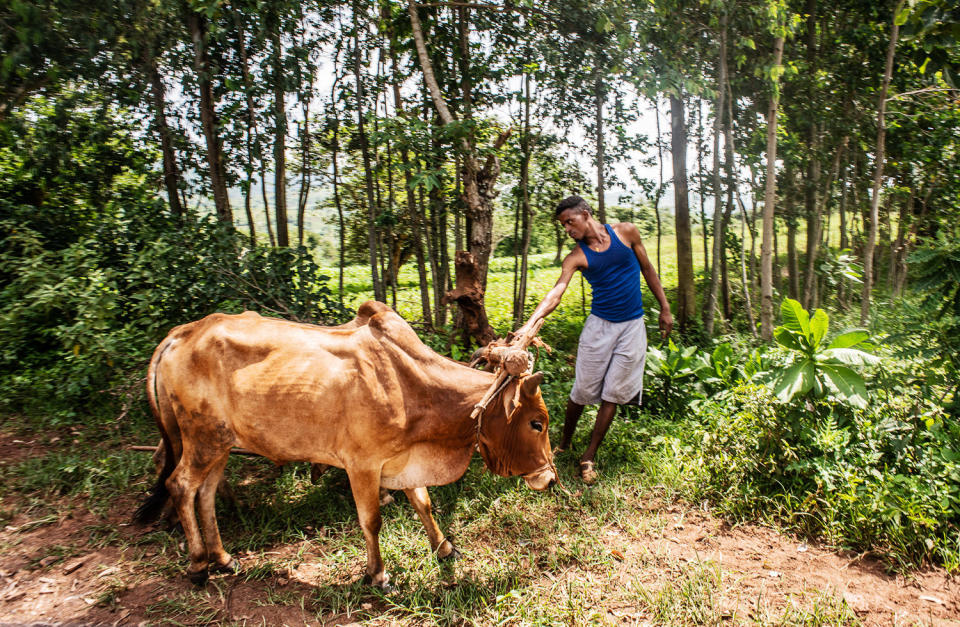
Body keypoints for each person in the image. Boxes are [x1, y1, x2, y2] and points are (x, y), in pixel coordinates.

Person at [515, 195, 672, 484]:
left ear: (586, 214)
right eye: (563, 226)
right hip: (599, 328)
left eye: (570, 222)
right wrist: (530, 325)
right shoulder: (577, 256)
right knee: (582, 392)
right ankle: (564, 442)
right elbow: (556, 293)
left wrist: (664, 307)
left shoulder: (627, 232)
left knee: (613, 393)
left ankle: (588, 455)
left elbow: (648, 269)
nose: (568, 229)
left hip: (633, 327)